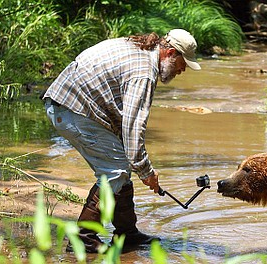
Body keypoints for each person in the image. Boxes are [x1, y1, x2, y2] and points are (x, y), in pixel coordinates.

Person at [42, 29, 201, 252]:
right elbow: (134, 128)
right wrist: (147, 172)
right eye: (183, 63)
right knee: (115, 171)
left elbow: (125, 127)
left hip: (69, 104)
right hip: (72, 109)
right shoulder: (144, 72)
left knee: (120, 164)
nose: (182, 70)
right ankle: (83, 240)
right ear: (171, 53)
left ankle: (127, 235)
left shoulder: (141, 50)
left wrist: (137, 165)